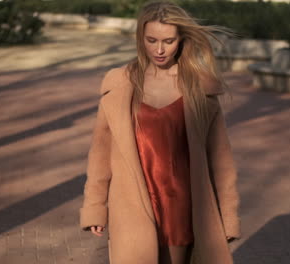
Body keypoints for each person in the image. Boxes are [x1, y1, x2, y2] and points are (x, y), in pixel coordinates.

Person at [79, 1, 240, 264]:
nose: (160, 49)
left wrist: (229, 217)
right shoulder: (119, 86)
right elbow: (100, 153)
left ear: (181, 39)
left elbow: (221, 161)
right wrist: (95, 207)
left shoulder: (200, 89)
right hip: (132, 206)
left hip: (184, 207)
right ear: (140, 37)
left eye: (169, 41)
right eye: (151, 40)